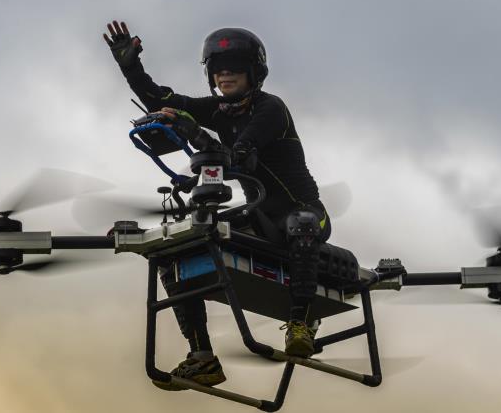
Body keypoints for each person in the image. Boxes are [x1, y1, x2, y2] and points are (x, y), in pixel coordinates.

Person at [103, 20, 331, 389]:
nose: (225, 75)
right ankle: (202, 357)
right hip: (259, 218)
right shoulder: (219, 110)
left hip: (306, 217)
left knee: (301, 221)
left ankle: (301, 323)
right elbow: (161, 101)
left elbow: (241, 154)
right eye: (218, 69)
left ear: (253, 73)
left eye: (235, 68)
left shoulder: (271, 109)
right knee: (177, 247)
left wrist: (194, 131)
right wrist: (130, 66)